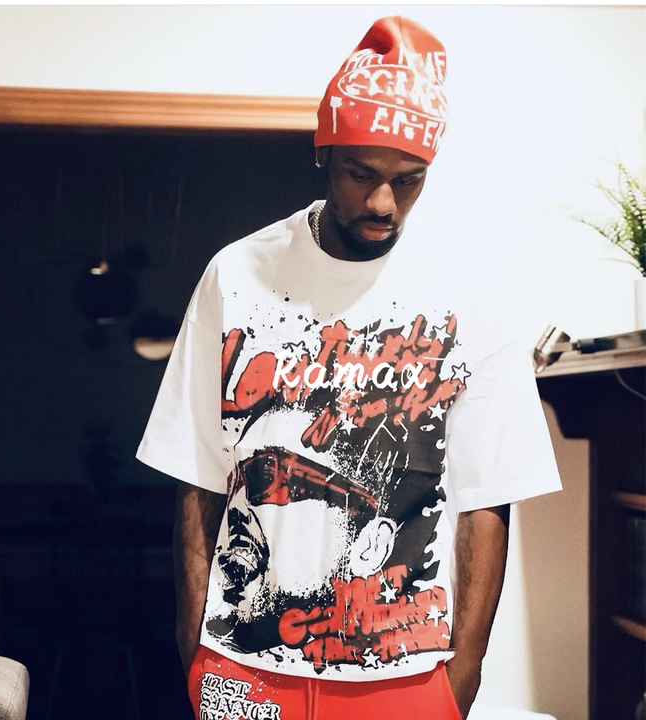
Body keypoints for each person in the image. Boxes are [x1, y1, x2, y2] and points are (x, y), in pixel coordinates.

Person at [137, 15, 561, 720]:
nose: (381, 203)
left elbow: (490, 495)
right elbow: (197, 472)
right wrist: (195, 647)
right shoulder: (236, 275)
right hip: (242, 666)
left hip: (405, 673)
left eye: (407, 181)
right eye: (360, 174)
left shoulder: (472, 296)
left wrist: (462, 676)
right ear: (324, 152)